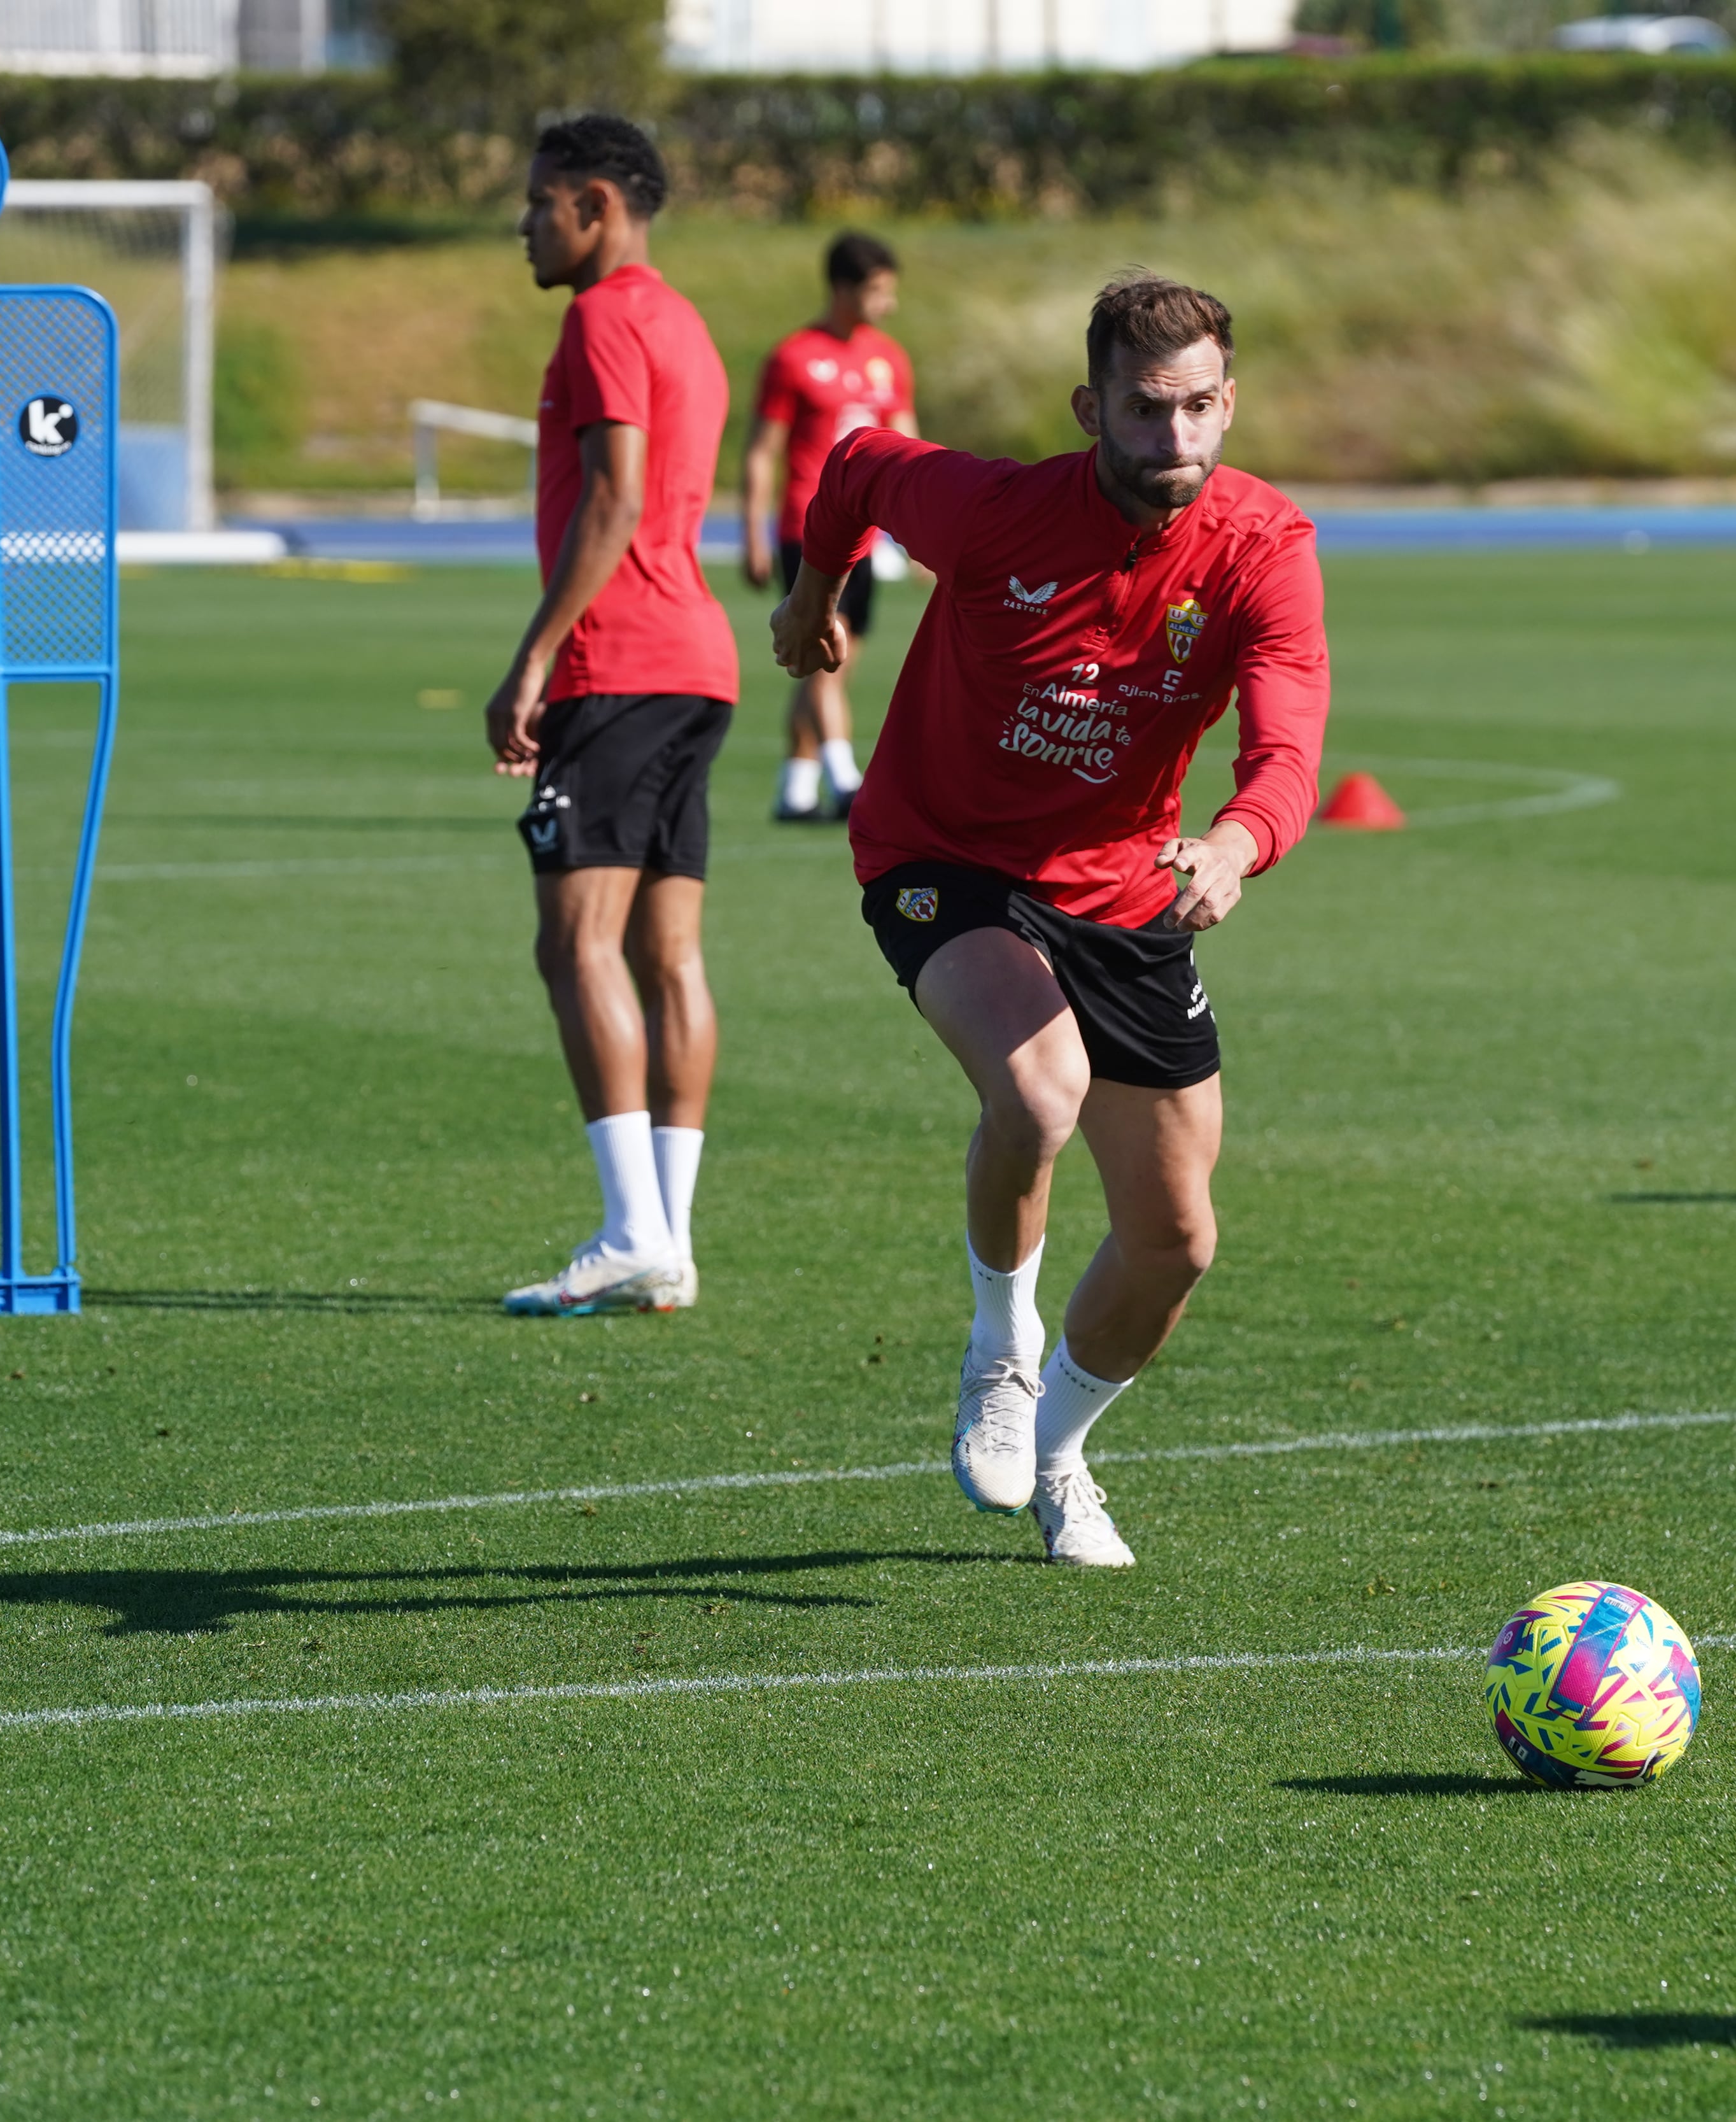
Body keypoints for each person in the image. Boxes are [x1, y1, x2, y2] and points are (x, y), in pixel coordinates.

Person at [770, 275, 1332, 1567]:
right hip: (943, 857)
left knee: (1175, 1240)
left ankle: (1064, 1451)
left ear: (1229, 403)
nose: (1175, 440)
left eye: (1199, 409)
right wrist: (813, 598)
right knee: (1038, 1090)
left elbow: (1288, 745)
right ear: (1092, 409)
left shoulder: (1264, 547)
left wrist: (1236, 846)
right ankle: (999, 1352)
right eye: (1144, 411)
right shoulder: (991, 510)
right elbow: (854, 465)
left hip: (1129, 886)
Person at [484, 113, 736, 1317]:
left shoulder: (601, 318)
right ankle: (668, 1240)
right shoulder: (685, 320)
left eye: (539, 202)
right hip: (699, 662)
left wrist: (533, 658)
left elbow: (616, 495)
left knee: (574, 941)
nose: (525, 224)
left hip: (618, 661)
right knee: (666, 952)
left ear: (594, 203)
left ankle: (634, 1227)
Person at [741, 231, 918, 823]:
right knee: (824, 653)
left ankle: (796, 788)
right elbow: (763, 449)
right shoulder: (793, 357)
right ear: (843, 289)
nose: (887, 304)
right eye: (877, 291)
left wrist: (921, 531)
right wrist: (750, 529)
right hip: (808, 528)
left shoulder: (888, 358)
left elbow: (912, 449)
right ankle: (846, 778)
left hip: (870, 534)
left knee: (828, 663)